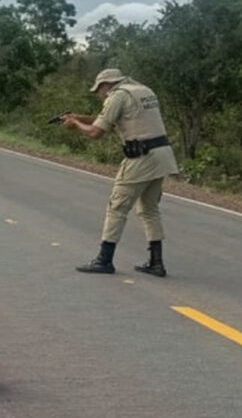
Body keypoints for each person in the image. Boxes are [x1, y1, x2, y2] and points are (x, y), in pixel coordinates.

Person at [60, 68, 179, 277]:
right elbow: (109, 119)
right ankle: (156, 262)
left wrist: (76, 124)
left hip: (141, 157)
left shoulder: (118, 96)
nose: (99, 94)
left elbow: (96, 132)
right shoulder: (142, 90)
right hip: (162, 156)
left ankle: (104, 260)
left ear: (106, 85)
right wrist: (79, 117)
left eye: (99, 90)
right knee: (149, 209)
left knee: (117, 207)